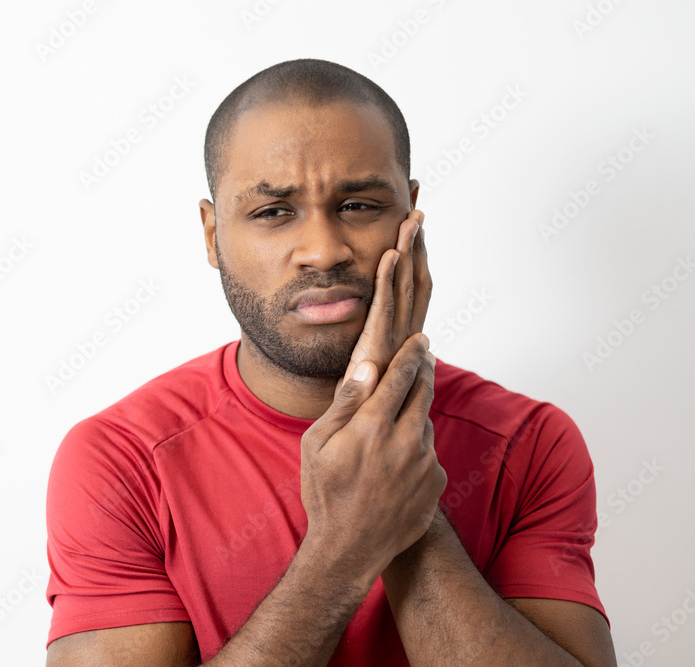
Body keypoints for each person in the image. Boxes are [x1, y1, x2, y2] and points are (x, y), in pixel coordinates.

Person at [44, 58, 616, 666]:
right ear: (212, 235)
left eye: (360, 205)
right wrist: (348, 544)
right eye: (273, 212)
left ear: (411, 216)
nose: (322, 251)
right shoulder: (120, 459)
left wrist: (403, 492)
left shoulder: (530, 442)